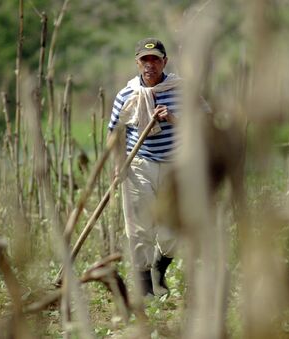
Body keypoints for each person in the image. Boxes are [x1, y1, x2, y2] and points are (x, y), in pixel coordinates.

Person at [108, 38, 180, 296]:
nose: (150, 65)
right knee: (140, 230)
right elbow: (114, 134)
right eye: (144, 60)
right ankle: (146, 290)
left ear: (165, 61)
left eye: (155, 59)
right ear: (137, 62)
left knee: (173, 232)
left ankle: (160, 269)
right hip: (138, 166)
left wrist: (172, 118)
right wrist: (118, 166)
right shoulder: (126, 95)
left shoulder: (181, 91)